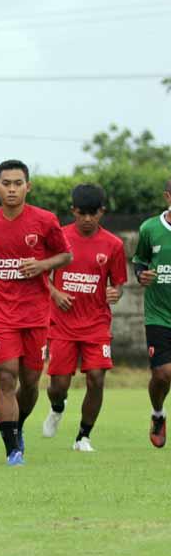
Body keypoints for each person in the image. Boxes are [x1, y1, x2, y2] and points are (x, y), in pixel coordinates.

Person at [0, 159, 72, 466]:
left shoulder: (45, 221)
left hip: (36, 315)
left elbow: (66, 254)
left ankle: (19, 425)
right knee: (5, 377)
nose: (11, 189)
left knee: (29, 382)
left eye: (17, 183)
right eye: (6, 184)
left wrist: (42, 265)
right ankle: (12, 449)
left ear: (28, 187)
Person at [41, 184, 126, 451]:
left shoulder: (114, 244)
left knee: (97, 379)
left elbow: (118, 283)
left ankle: (83, 437)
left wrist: (115, 293)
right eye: (82, 213)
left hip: (96, 324)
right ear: (73, 211)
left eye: (93, 213)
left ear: (102, 212)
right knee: (59, 385)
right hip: (62, 324)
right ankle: (57, 407)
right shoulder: (59, 239)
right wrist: (55, 294)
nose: (87, 219)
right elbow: (41, 275)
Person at [131, 178, 171, 449]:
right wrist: (140, 275)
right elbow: (140, 262)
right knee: (162, 375)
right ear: (168, 197)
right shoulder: (150, 228)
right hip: (159, 316)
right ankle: (158, 414)